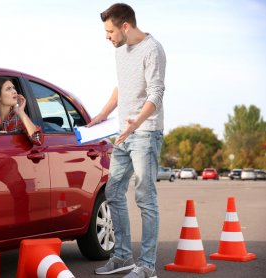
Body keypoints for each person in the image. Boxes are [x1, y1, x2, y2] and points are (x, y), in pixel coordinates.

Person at [91, 3, 166, 278]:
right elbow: (121, 87)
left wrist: (137, 121)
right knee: (113, 192)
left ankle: (147, 266)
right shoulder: (120, 50)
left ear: (125, 26)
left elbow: (156, 93)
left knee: (145, 199)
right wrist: (102, 114)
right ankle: (122, 256)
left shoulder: (153, 49)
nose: (106, 36)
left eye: (110, 31)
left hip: (145, 133)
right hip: (123, 134)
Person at [0, 77, 43, 145]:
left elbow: (38, 140)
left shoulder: (19, 119)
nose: (15, 91)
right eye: (8, 89)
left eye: (13, 88)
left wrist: (21, 112)